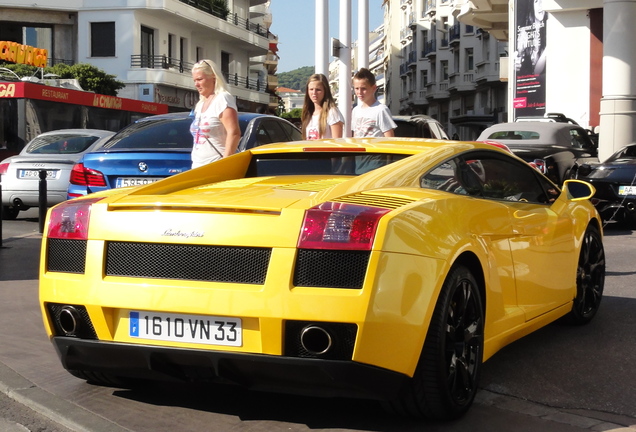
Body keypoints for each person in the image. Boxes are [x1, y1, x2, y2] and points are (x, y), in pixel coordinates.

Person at [189, 59, 241, 168]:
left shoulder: (223, 99)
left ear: (213, 77)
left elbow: (234, 133)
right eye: (194, 80)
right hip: (197, 167)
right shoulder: (201, 103)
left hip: (217, 166)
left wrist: (224, 164)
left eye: (199, 79)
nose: (196, 84)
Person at [351, 68, 396, 138]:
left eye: (363, 89)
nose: (359, 92)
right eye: (356, 88)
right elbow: (355, 135)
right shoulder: (355, 110)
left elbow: (389, 138)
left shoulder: (381, 110)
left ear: (374, 88)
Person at [300, 73, 344, 139]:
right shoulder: (308, 113)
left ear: (325, 91)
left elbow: (337, 142)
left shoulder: (332, 112)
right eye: (311, 89)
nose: (314, 93)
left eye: (318, 90)